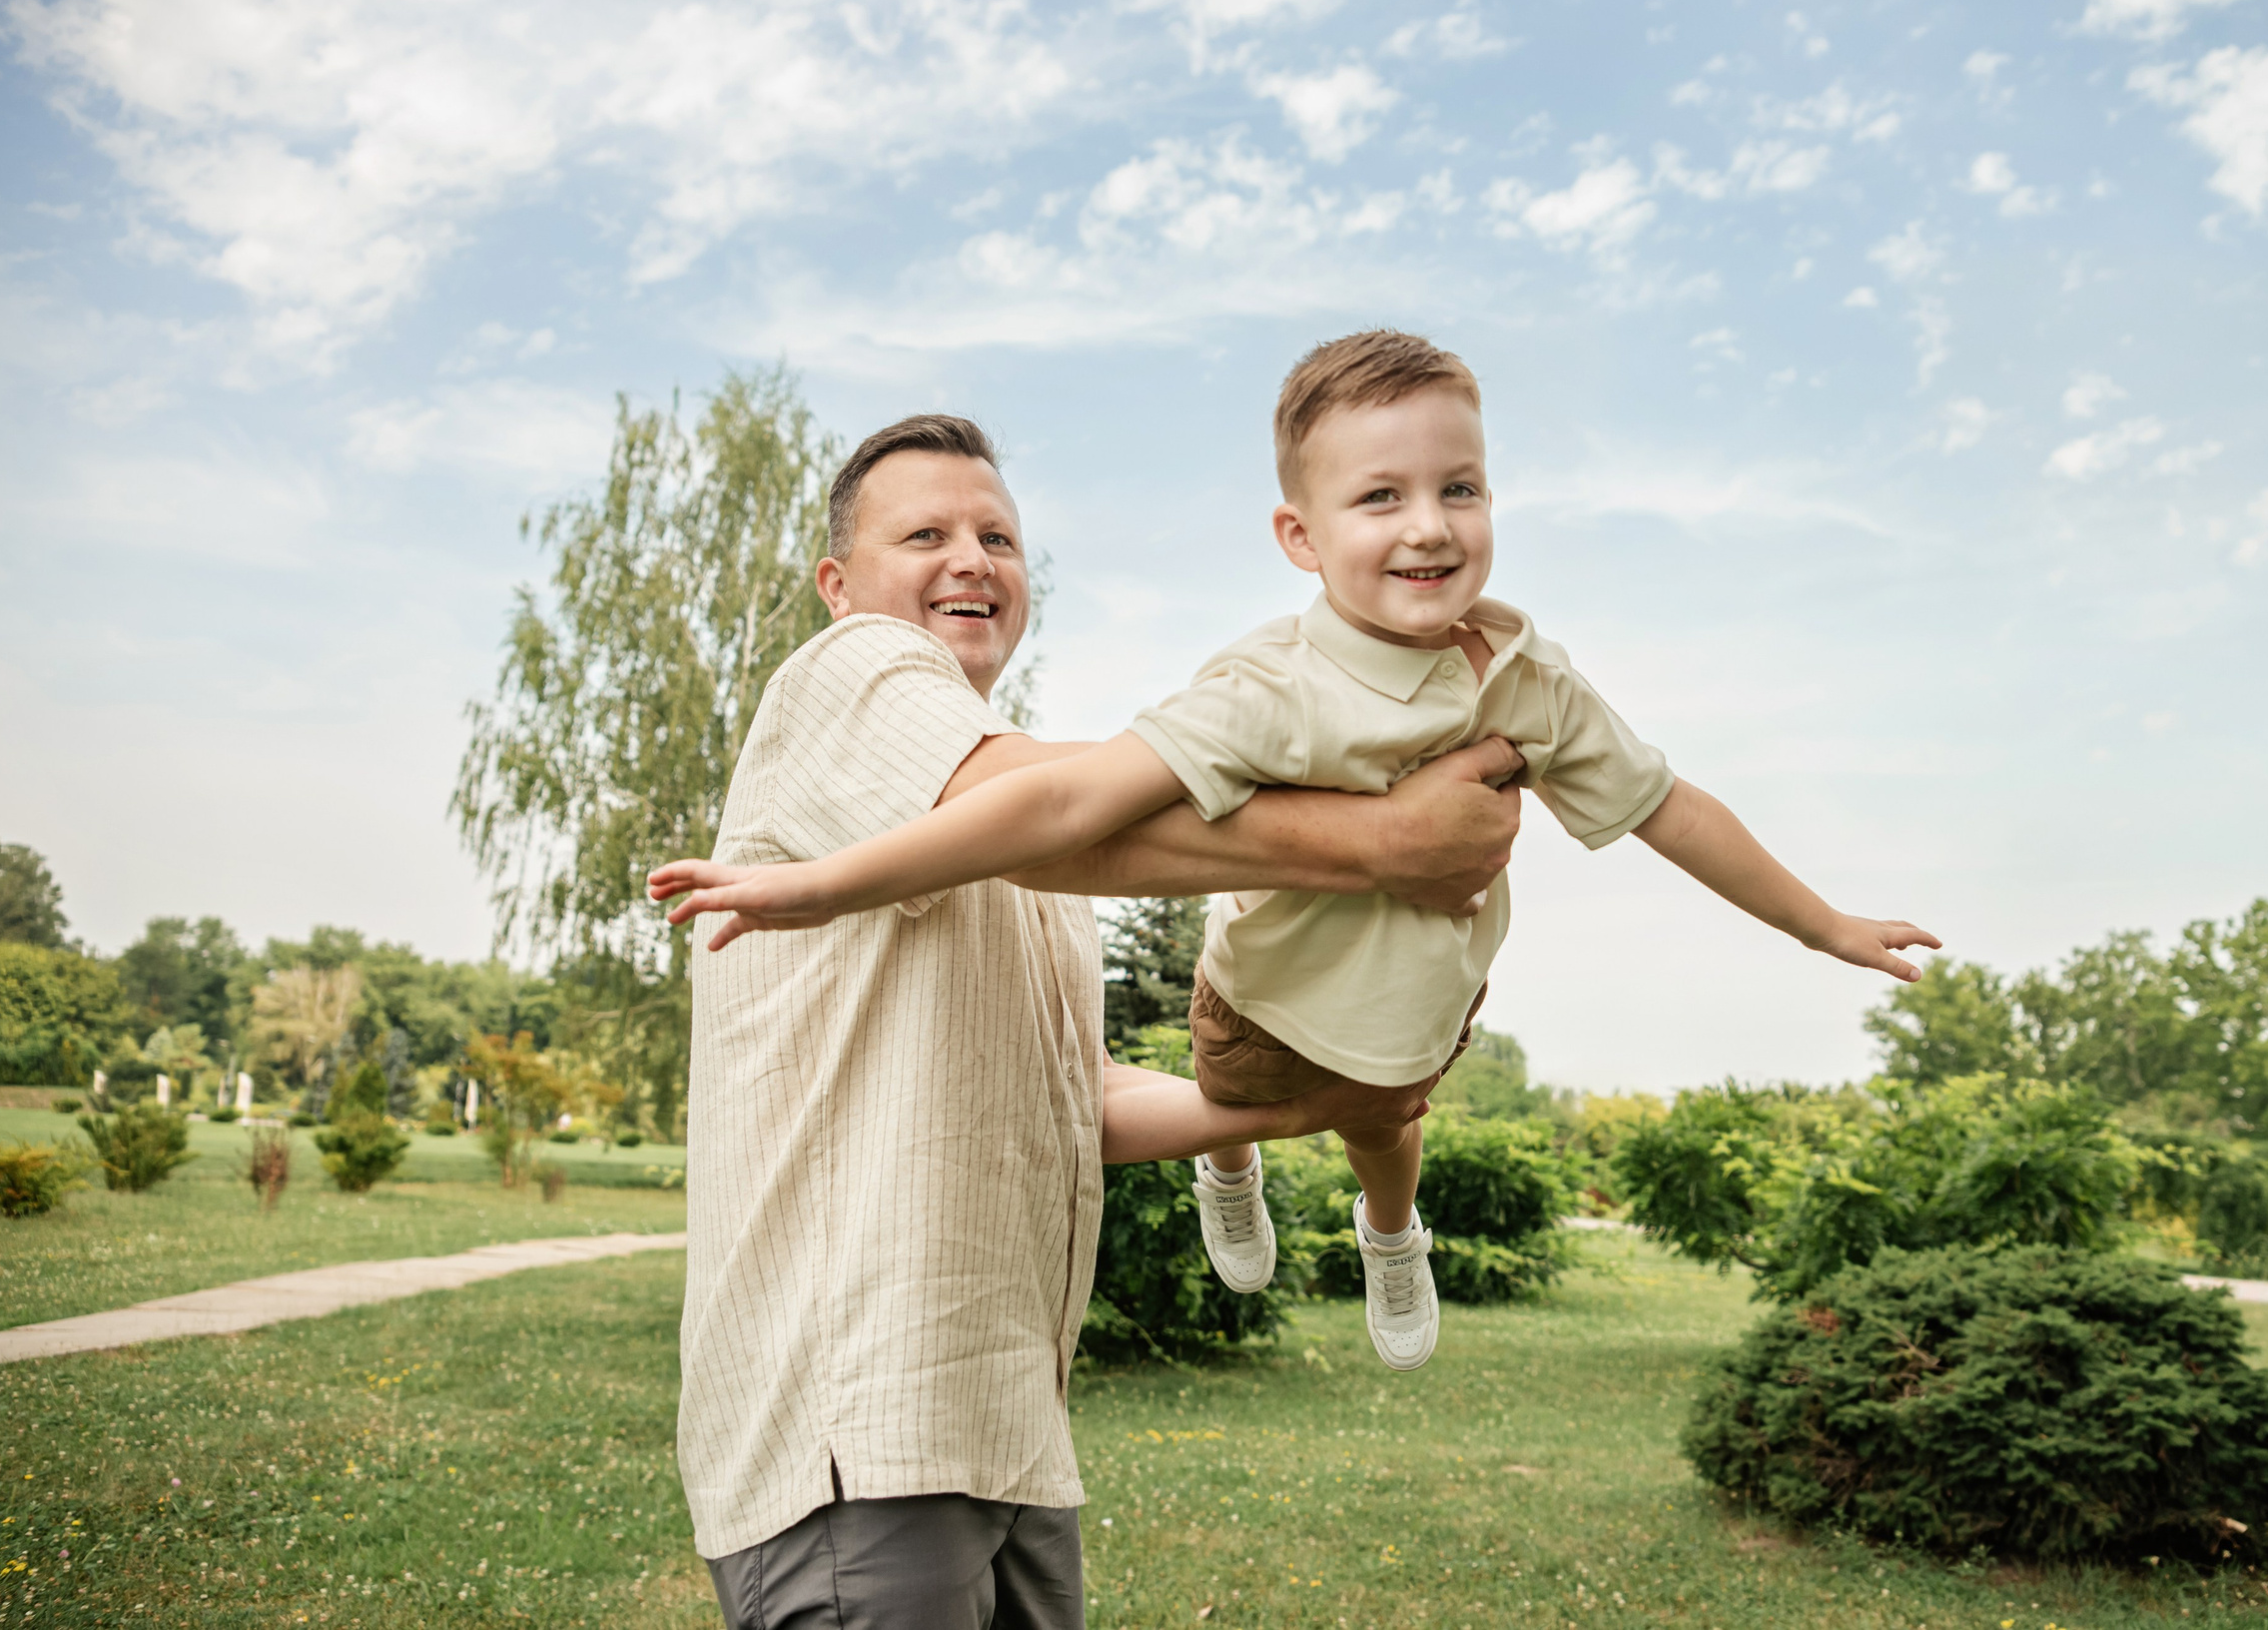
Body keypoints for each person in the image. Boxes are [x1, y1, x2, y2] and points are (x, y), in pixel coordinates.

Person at [657, 332, 1940, 1379]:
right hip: (894, 1363)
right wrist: (814, 886)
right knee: (1271, 1078)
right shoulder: (882, 669)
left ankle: (1381, 1229)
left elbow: (1669, 806)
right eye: (1380, 496)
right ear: (1301, 536)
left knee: (1387, 1118)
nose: (1427, 525)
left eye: (1458, 489)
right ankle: (1245, 1174)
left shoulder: (1525, 675)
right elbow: (1052, 815)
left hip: (1007, 1394)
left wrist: (1822, 924)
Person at [674, 410, 1525, 1630]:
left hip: (1003, 1431)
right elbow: (1053, 809)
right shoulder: (849, 672)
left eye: (998, 538)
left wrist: (1301, 1104)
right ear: (838, 585)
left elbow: (1067, 1097)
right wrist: (1383, 833)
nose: (971, 560)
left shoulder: (1028, 853)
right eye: (924, 535)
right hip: (857, 1433)